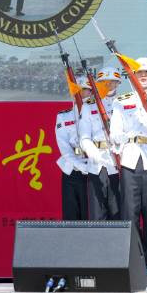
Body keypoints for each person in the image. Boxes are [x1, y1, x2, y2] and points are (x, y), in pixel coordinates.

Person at [109, 58, 147, 284]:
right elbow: (115, 134)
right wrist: (132, 129)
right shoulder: (122, 102)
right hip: (131, 159)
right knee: (130, 215)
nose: (143, 76)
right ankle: (132, 263)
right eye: (139, 73)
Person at [79, 66, 121, 221]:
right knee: (98, 213)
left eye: (112, 81)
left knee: (118, 212)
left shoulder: (123, 103)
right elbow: (84, 138)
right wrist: (94, 154)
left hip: (119, 164)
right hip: (97, 164)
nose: (108, 84)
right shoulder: (89, 106)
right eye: (104, 81)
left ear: (118, 82)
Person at [55, 77, 91, 220]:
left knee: (90, 214)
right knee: (71, 214)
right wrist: (76, 162)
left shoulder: (97, 114)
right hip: (71, 169)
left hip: (93, 167)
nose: (81, 93)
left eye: (85, 89)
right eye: (78, 90)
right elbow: (63, 144)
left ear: (91, 92)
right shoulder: (64, 116)